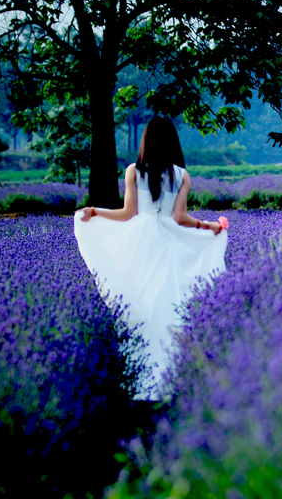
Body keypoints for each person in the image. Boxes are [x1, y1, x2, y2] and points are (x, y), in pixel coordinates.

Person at [73, 116, 228, 400]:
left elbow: (128, 213)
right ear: (172, 142)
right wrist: (210, 227)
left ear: (145, 140)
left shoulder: (134, 171)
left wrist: (94, 211)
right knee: (169, 308)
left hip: (140, 245)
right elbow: (180, 218)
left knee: (140, 308)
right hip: (167, 243)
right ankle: (175, 380)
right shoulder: (181, 175)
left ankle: (139, 380)